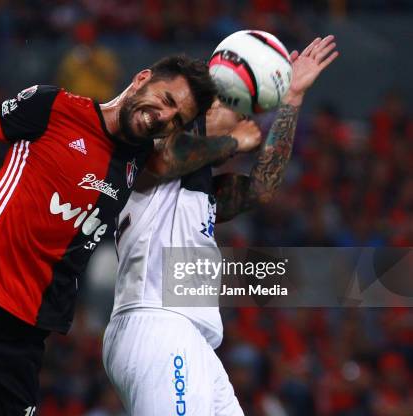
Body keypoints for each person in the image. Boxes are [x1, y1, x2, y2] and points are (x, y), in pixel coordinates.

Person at [0, 55, 255, 416]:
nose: (163, 116)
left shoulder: (141, 161)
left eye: (175, 118)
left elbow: (186, 159)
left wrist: (261, 113)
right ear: (143, 77)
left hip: (23, 338)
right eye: (165, 100)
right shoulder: (53, 106)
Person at [103, 35, 339, 415]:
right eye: (236, 107)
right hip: (159, 324)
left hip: (191, 338)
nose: (246, 118)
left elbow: (262, 189)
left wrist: (292, 98)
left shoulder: (198, 188)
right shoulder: (154, 147)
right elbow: (169, 159)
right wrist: (232, 138)